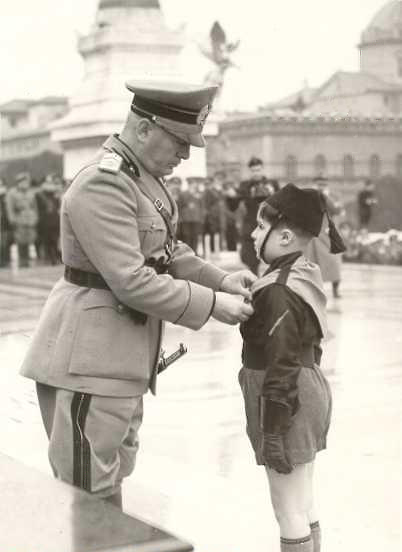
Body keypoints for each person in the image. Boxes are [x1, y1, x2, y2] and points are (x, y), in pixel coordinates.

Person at [20, 80, 256, 508]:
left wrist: (220, 280)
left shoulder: (142, 180)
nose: (185, 155)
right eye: (180, 142)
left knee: (108, 478)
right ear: (145, 129)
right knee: (87, 494)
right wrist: (213, 305)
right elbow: (131, 279)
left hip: (118, 358)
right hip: (88, 362)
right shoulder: (104, 183)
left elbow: (166, 250)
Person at [238, 183, 346, 552]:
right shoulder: (301, 273)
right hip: (304, 393)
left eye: (258, 226)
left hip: (285, 402)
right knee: (302, 501)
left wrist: (272, 429)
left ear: (283, 237)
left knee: (287, 509)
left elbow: (281, 361)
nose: (252, 234)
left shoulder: (278, 289)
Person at [238, 156, 277, 274]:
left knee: (273, 258)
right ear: (250, 171)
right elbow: (234, 203)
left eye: (258, 170)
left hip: (269, 225)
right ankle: (255, 286)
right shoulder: (245, 185)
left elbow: (281, 202)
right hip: (251, 225)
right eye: (254, 170)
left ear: (263, 169)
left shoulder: (272, 184)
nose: (256, 173)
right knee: (250, 259)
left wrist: (272, 193)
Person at [306, 177, 344, 298]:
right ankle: (313, 291)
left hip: (327, 233)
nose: (321, 187)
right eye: (319, 185)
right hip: (313, 235)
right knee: (312, 265)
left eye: (323, 185)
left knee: (334, 263)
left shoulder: (330, 196)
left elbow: (336, 210)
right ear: (314, 185)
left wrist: (327, 197)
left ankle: (335, 290)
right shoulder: (310, 197)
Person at [5, 172, 38, 268]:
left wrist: (35, 218)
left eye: (26, 182)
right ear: (18, 183)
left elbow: (35, 208)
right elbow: (10, 209)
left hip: (30, 221)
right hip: (19, 221)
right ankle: (22, 264)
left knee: (29, 242)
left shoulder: (31, 193)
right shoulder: (12, 193)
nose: (25, 184)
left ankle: (27, 263)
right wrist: (13, 221)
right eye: (23, 182)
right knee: (21, 243)